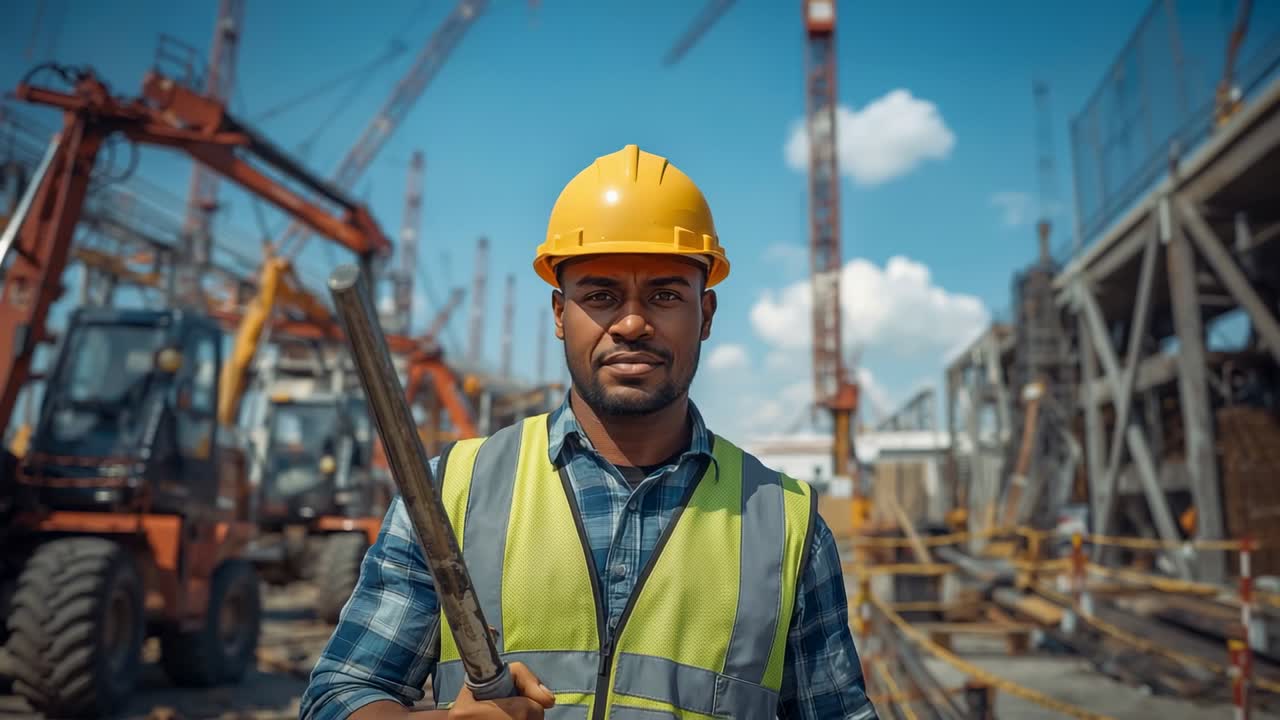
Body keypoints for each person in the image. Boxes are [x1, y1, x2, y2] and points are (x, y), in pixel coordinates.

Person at [300, 144, 878, 720]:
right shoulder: (452, 493)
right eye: (600, 296)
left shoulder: (784, 523)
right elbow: (339, 697)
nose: (631, 322)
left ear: (706, 314)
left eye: (666, 294)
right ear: (558, 314)